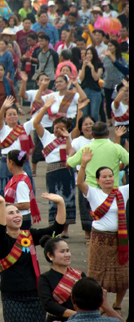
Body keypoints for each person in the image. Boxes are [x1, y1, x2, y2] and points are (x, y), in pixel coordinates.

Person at [0, 189, 66, 322]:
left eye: (18, 212)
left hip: (35, 295)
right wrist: (2, 204)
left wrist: (60, 203)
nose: (16, 215)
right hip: (12, 297)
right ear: (2, 217)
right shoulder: (0, 240)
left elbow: (56, 229)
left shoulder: (29, 235)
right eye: (10, 213)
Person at [77, 150, 129, 313]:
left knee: (123, 275)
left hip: (119, 240)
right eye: (104, 177)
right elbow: (80, 183)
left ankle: (117, 305)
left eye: (110, 176)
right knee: (98, 276)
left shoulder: (122, 191)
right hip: (100, 241)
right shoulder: (93, 193)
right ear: (98, 180)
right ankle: (101, 305)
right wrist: (84, 164)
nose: (108, 179)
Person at [34, 97, 77, 237]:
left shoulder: (69, 138)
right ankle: (54, 228)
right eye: (57, 127)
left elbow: (71, 152)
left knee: (67, 200)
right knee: (54, 200)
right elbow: (36, 122)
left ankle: (65, 230)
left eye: (62, 128)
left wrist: (67, 137)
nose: (58, 130)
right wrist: (45, 107)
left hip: (66, 171)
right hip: (52, 171)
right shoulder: (46, 136)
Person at [38, 236, 86, 322]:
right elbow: (48, 304)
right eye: (62, 251)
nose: (67, 254)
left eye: (67, 250)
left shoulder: (80, 275)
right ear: (50, 256)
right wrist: (75, 314)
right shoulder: (45, 278)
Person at [68, 122, 130, 189]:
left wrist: (70, 153)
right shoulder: (116, 148)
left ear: (92, 134)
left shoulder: (86, 149)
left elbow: (69, 164)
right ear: (108, 133)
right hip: (112, 190)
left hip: (92, 190)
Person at [68, 114, 96, 243]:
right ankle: (87, 233)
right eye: (86, 124)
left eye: (91, 123)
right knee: (85, 205)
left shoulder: (102, 140)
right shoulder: (78, 141)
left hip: (98, 174)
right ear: (81, 128)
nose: (89, 126)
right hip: (83, 174)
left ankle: (97, 233)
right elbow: (71, 154)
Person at [103, 41, 128, 126]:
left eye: (111, 46)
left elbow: (122, 68)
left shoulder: (121, 58)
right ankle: (111, 120)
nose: (109, 47)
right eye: (108, 45)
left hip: (118, 82)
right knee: (112, 102)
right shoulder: (105, 58)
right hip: (108, 83)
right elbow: (122, 69)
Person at [79, 47, 104, 123]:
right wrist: (83, 66)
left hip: (95, 91)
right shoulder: (82, 64)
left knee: (94, 114)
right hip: (84, 91)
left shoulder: (99, 64)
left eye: (90, 53)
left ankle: (95, 130)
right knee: (84, 114)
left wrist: (92, 67)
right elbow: (81, 78)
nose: (89, 55)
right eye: (87, 54)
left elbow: (96, 78)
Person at [112, 80, 129, 149]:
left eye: (127, 91)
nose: (125, 93)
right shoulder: (115, 105)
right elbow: (116, 101)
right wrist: (125, 88)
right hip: (122, 132)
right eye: (123, 91)